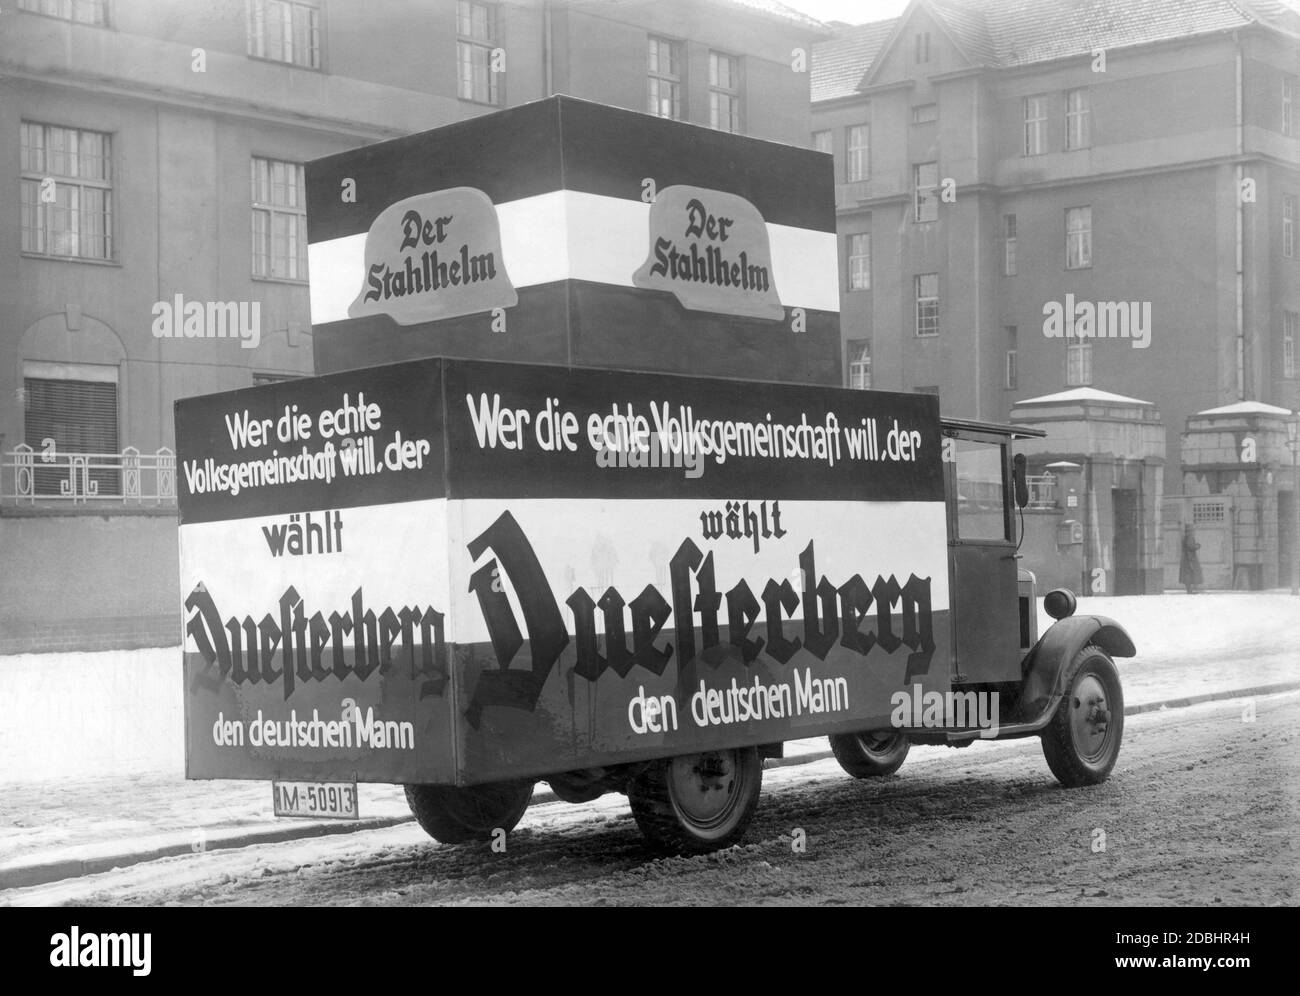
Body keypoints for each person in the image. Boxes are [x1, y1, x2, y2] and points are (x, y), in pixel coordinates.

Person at [1180, 523, 1203, 594]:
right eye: (1192, 529)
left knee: (1188, 573)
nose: (1193, 531)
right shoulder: (1189, 536)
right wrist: (1198, 545)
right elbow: (1191, 546)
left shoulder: (1185, 536)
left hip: (1186, 558)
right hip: (1190, 558)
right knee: (1192, 573)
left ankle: (1190, 590)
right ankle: (1192, 590)